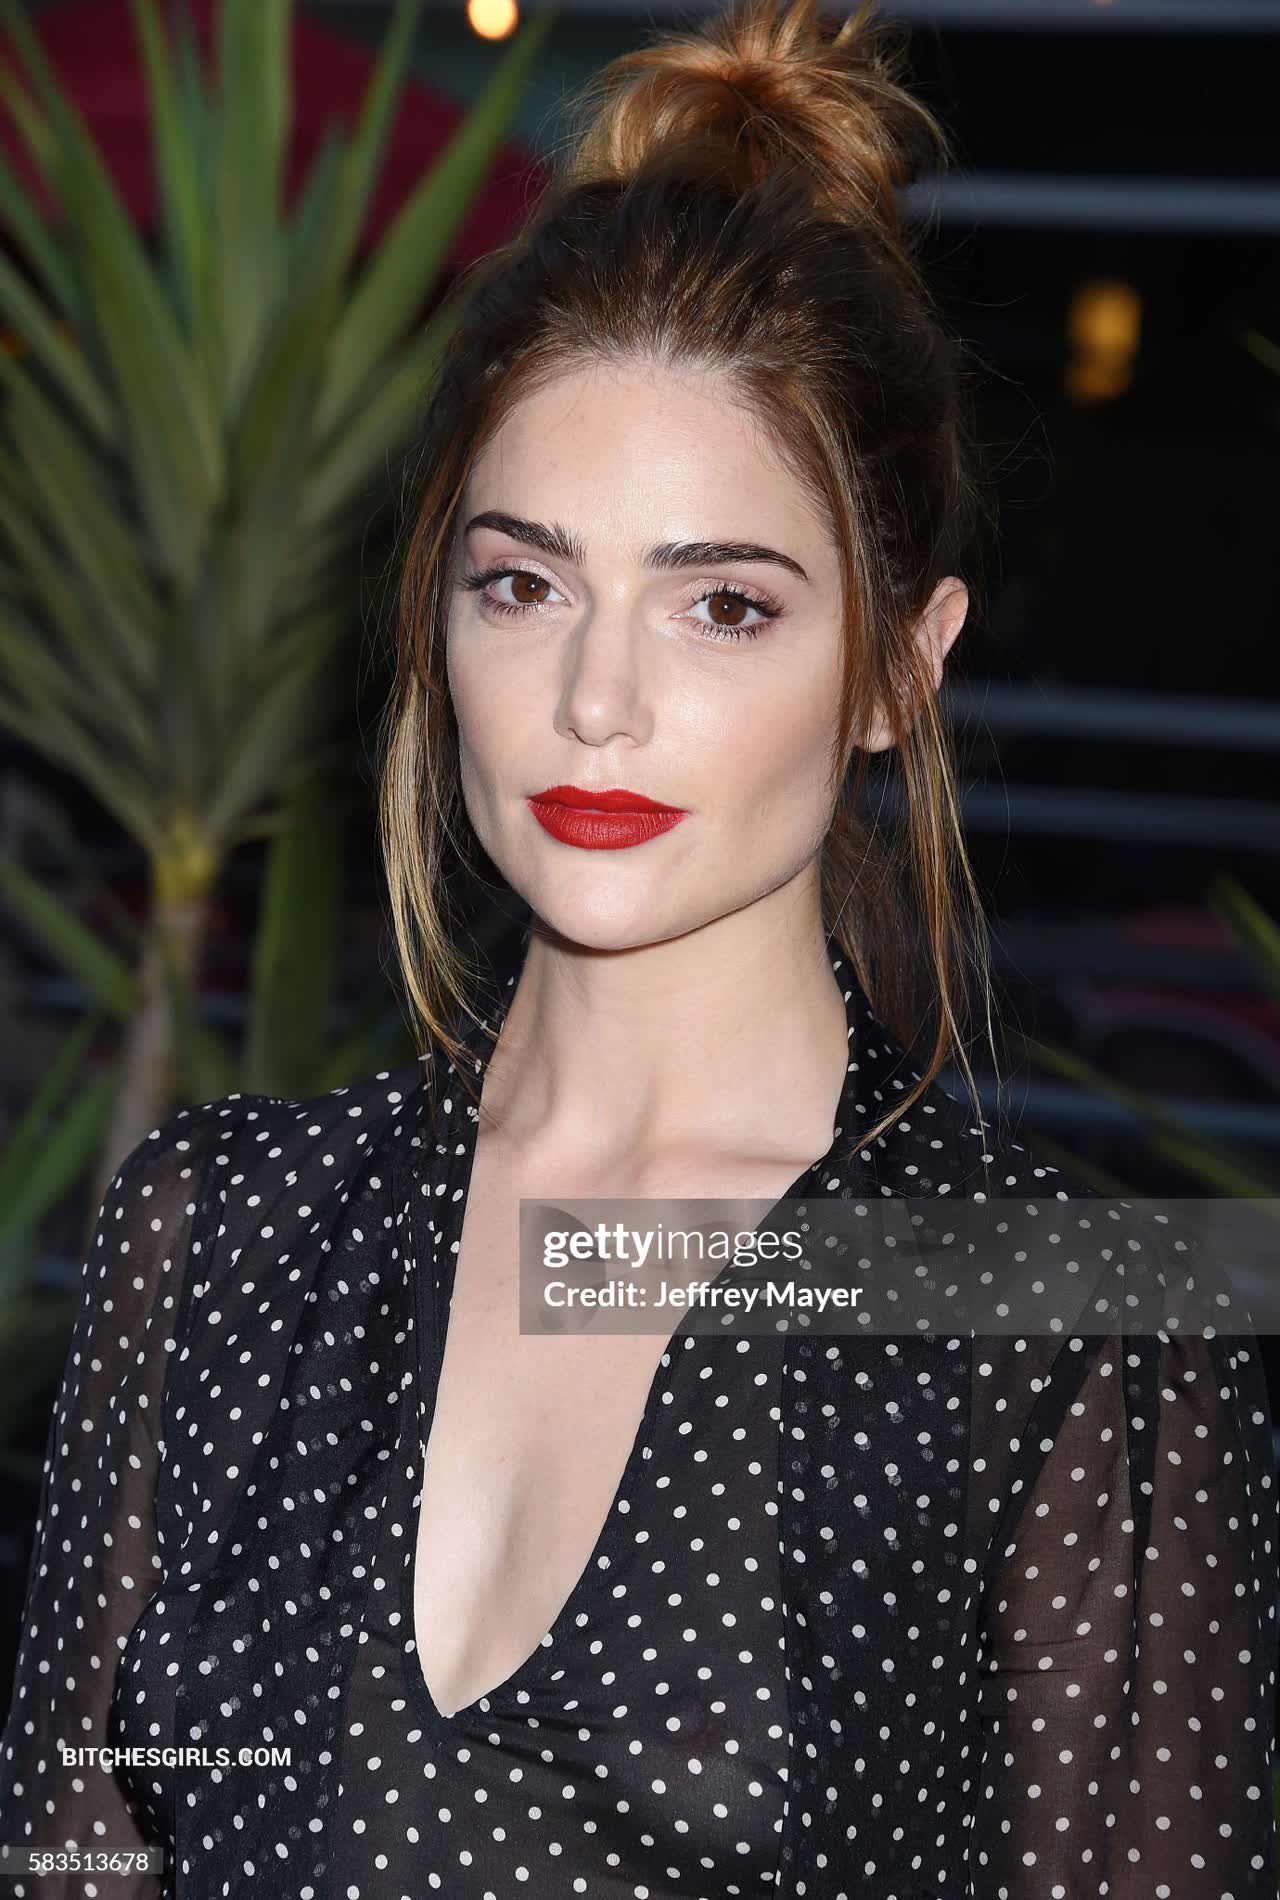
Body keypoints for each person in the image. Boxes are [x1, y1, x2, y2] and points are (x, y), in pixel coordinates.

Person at [2, 0, 1276, 1893]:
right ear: (435, 615)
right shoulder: (220, 1235)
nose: (595, 701)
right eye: (525, 583)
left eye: (723, 607)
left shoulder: (1063, 1325)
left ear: (896, 670)